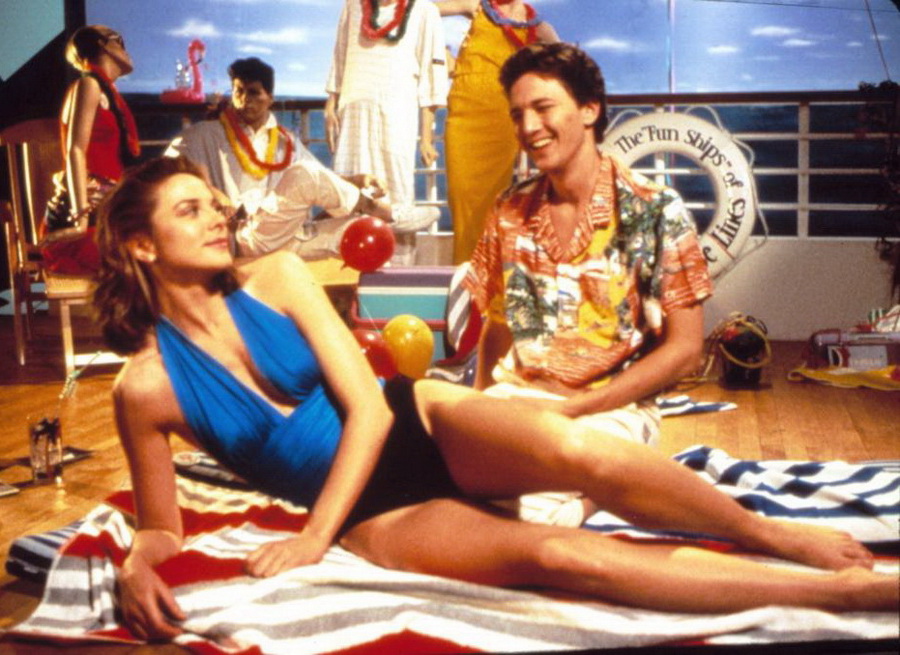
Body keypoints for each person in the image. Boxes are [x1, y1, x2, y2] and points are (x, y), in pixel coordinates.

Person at [91, 155, 895, 642]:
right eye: (190, 210)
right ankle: (844, 593)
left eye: (214, 202)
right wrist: (136, 563)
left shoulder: (278, 276)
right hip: (378, 512)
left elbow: (367, 407)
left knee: (579, 451)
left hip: (417, 417)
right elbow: (161, 525)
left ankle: (773, 534)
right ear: (140, 243)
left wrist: (310, 539)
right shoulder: (145, 388)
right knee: (554, 557)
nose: (218, 216)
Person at [464, 42, 712, 454]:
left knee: (558, 462)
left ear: (589, 110)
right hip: (518, 399)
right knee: (426, 427)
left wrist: (574, 409)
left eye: (543, 108)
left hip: (612, 411)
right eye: (518, 115)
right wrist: (475, 412)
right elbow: (499, 324)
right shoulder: (508, 209)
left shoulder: (655, 209)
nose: (528, 127)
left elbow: (686, 351)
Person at [165, 57, 436, 258]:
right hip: (243, 236)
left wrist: (356, 179)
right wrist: (212, 193)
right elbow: (166, 169)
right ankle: (390, 212)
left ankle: (377, 217)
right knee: (305, 174)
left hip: (287, 235)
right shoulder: (205, 133)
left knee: (361, 227)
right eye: (238, 91)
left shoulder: (285, 140)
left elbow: (320, 180)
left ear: (270, 98)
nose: (244, 99)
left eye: (253, 92)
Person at [325, 0, 447, 264]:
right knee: (349, 191)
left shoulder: (425, 10)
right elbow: (340, 55)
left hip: (397, 113)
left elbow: (432, 75)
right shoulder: (353, 6)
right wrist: (331, 103)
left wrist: (426, 138)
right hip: (353, 109)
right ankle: (346, 266)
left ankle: (398, 271)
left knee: (395, 192)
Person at [437, 0, 558, 264]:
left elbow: (567, 67)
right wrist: (440, 54)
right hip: (464, 114)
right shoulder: (475, 6)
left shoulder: (539, 27)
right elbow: (422, 11)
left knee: (492, 201)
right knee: (460, 197)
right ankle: (465, 269)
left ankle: (485, 273)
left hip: (501, 120)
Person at [40, 25, 140, 275]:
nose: (127, 50)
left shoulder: (108, 93)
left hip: (108, 214)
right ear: (103, 45)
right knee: (150, 257)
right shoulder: (89, 85)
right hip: (85, 222)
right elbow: (75, 151)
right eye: (120, 41)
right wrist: (80, 219)